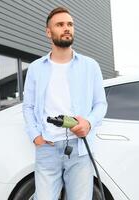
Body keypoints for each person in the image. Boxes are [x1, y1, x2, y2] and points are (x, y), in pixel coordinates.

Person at [22, 6, 108, 200]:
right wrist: (36, 136)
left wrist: (88, 122)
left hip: (80, 150)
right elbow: (27, 106)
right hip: (47, 147)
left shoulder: (90, 66)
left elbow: (101, 104)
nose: (66, 28)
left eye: (70, 24)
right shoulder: (36, 68)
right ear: (48, 32)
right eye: (60, 24)